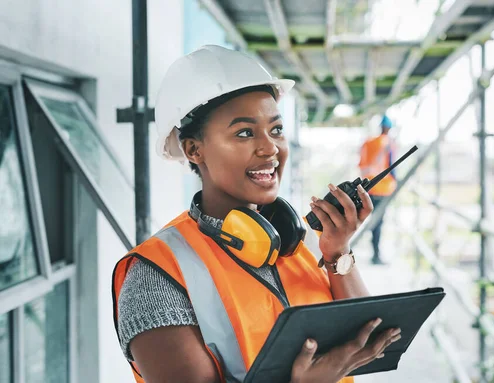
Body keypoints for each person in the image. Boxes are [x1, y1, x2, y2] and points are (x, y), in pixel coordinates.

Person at [111, 45, 401, 383]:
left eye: (276, 130)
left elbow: (366, 343)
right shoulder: (156, 275)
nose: (270, 148)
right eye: (245, 133)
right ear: (194, 150)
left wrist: (337, 252)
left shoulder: (293, 241)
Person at [358, 115, 397, 265]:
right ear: (388, 128)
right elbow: (392, 166)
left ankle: (373, 252)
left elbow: (361, 164)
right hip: (383, 189)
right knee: (378, 223)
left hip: (367, 187)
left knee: (370, 220)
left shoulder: (367, 142)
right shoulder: (387, 143)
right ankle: (376, 255)